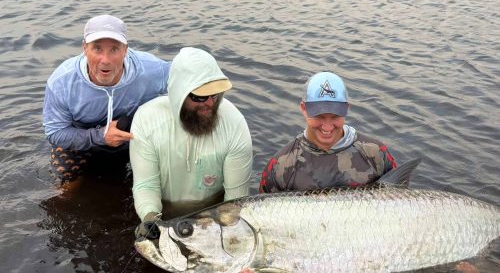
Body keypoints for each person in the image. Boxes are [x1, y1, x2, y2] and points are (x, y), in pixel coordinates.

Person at [131, 47, 253, 238]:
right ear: (179, 94)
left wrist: (227, 232)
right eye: (200, 97)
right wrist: (151, 218)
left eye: (215, 95)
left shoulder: (235, 125)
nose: (210, 104)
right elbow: (146, 186)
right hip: (164, 207)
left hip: (214, 213)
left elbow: (235, 200)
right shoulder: (146, 121)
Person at [43, 14, 170, 182]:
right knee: (65, 184)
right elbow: (55, 132)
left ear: (125, 50)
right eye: (97, 48)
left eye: (114, 49)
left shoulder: (152, 69)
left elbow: (191, 84)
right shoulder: (62, 82)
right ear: (84, 48)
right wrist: (100, 136)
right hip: (82, 138)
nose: (106, 60)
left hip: (133, 134)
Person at [259, 71, 397, 193]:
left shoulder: (376, 154)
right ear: (303, 108)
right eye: (319, 116)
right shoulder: (279, 166)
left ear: (346, 108)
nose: (327, 127)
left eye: (335, 116)